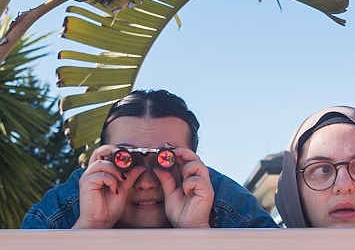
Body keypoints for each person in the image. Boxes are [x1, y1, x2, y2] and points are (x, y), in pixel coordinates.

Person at [21, 90, 277, 229]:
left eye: (167, 159)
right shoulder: (70, 205)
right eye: (126, 158)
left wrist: (197, 233)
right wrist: (91, 226)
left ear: (192, 162)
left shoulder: (223, 201)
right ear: (104, 159)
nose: (146, 182)